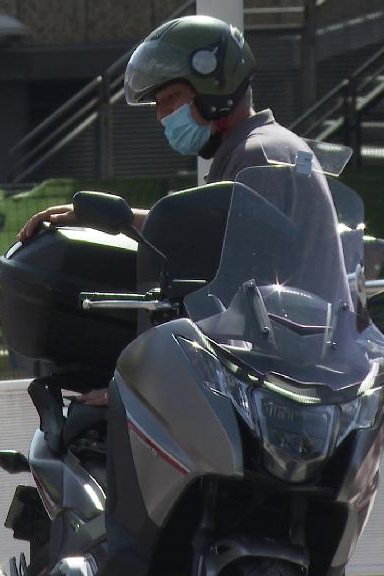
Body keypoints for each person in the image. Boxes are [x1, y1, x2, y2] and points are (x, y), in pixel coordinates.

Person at [16, 14, 311, 407]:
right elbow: (198, 234)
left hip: (270, 389)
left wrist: (147, 389)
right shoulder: (258, 149)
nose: (161, 115)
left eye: (169, 98)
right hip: (269, 381)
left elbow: (250, 300)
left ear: (214, 87)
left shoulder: (260, 157)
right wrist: (106, 219)